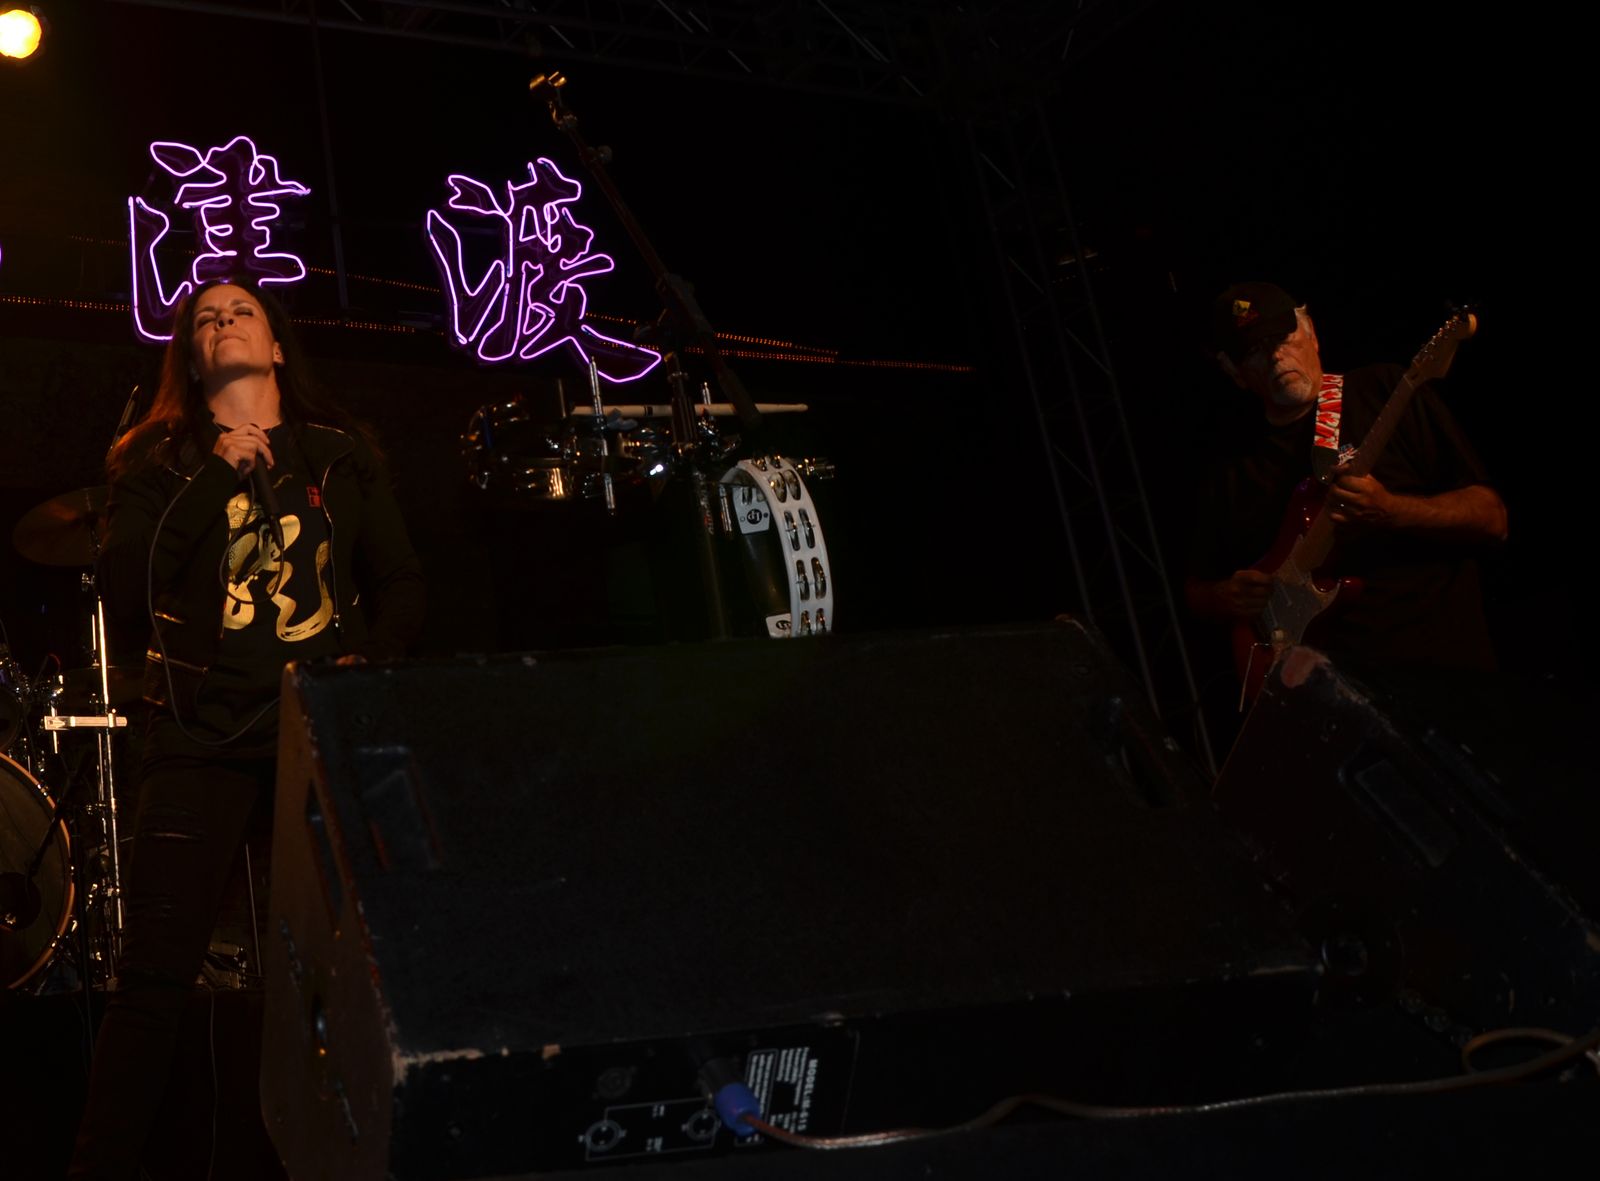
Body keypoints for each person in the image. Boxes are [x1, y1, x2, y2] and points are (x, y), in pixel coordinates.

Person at [69, 278, 424, 1179]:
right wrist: (213, 473)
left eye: (242, 313)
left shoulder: (337, 454)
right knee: (154, 974)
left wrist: (369, 660)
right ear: (191, 361)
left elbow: (402, 583)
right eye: (205, 319)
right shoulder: (157, 462)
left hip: (318, 730)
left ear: (276, 346)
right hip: (200, 735)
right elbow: (126, 587)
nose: (224, 321)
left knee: (364, 962)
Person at [1183, 280, 1507, 698]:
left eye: (1283, 338)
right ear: (1233, 372)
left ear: (1312, 334)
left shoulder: (1384, 390)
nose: (1276, 356)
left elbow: (1492, 517)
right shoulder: (1231, 470)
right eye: (1253, 351)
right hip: (1327, 700)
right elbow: (1196, 591)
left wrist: (1392, 510)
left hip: (1441, 675)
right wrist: (1227, 596)